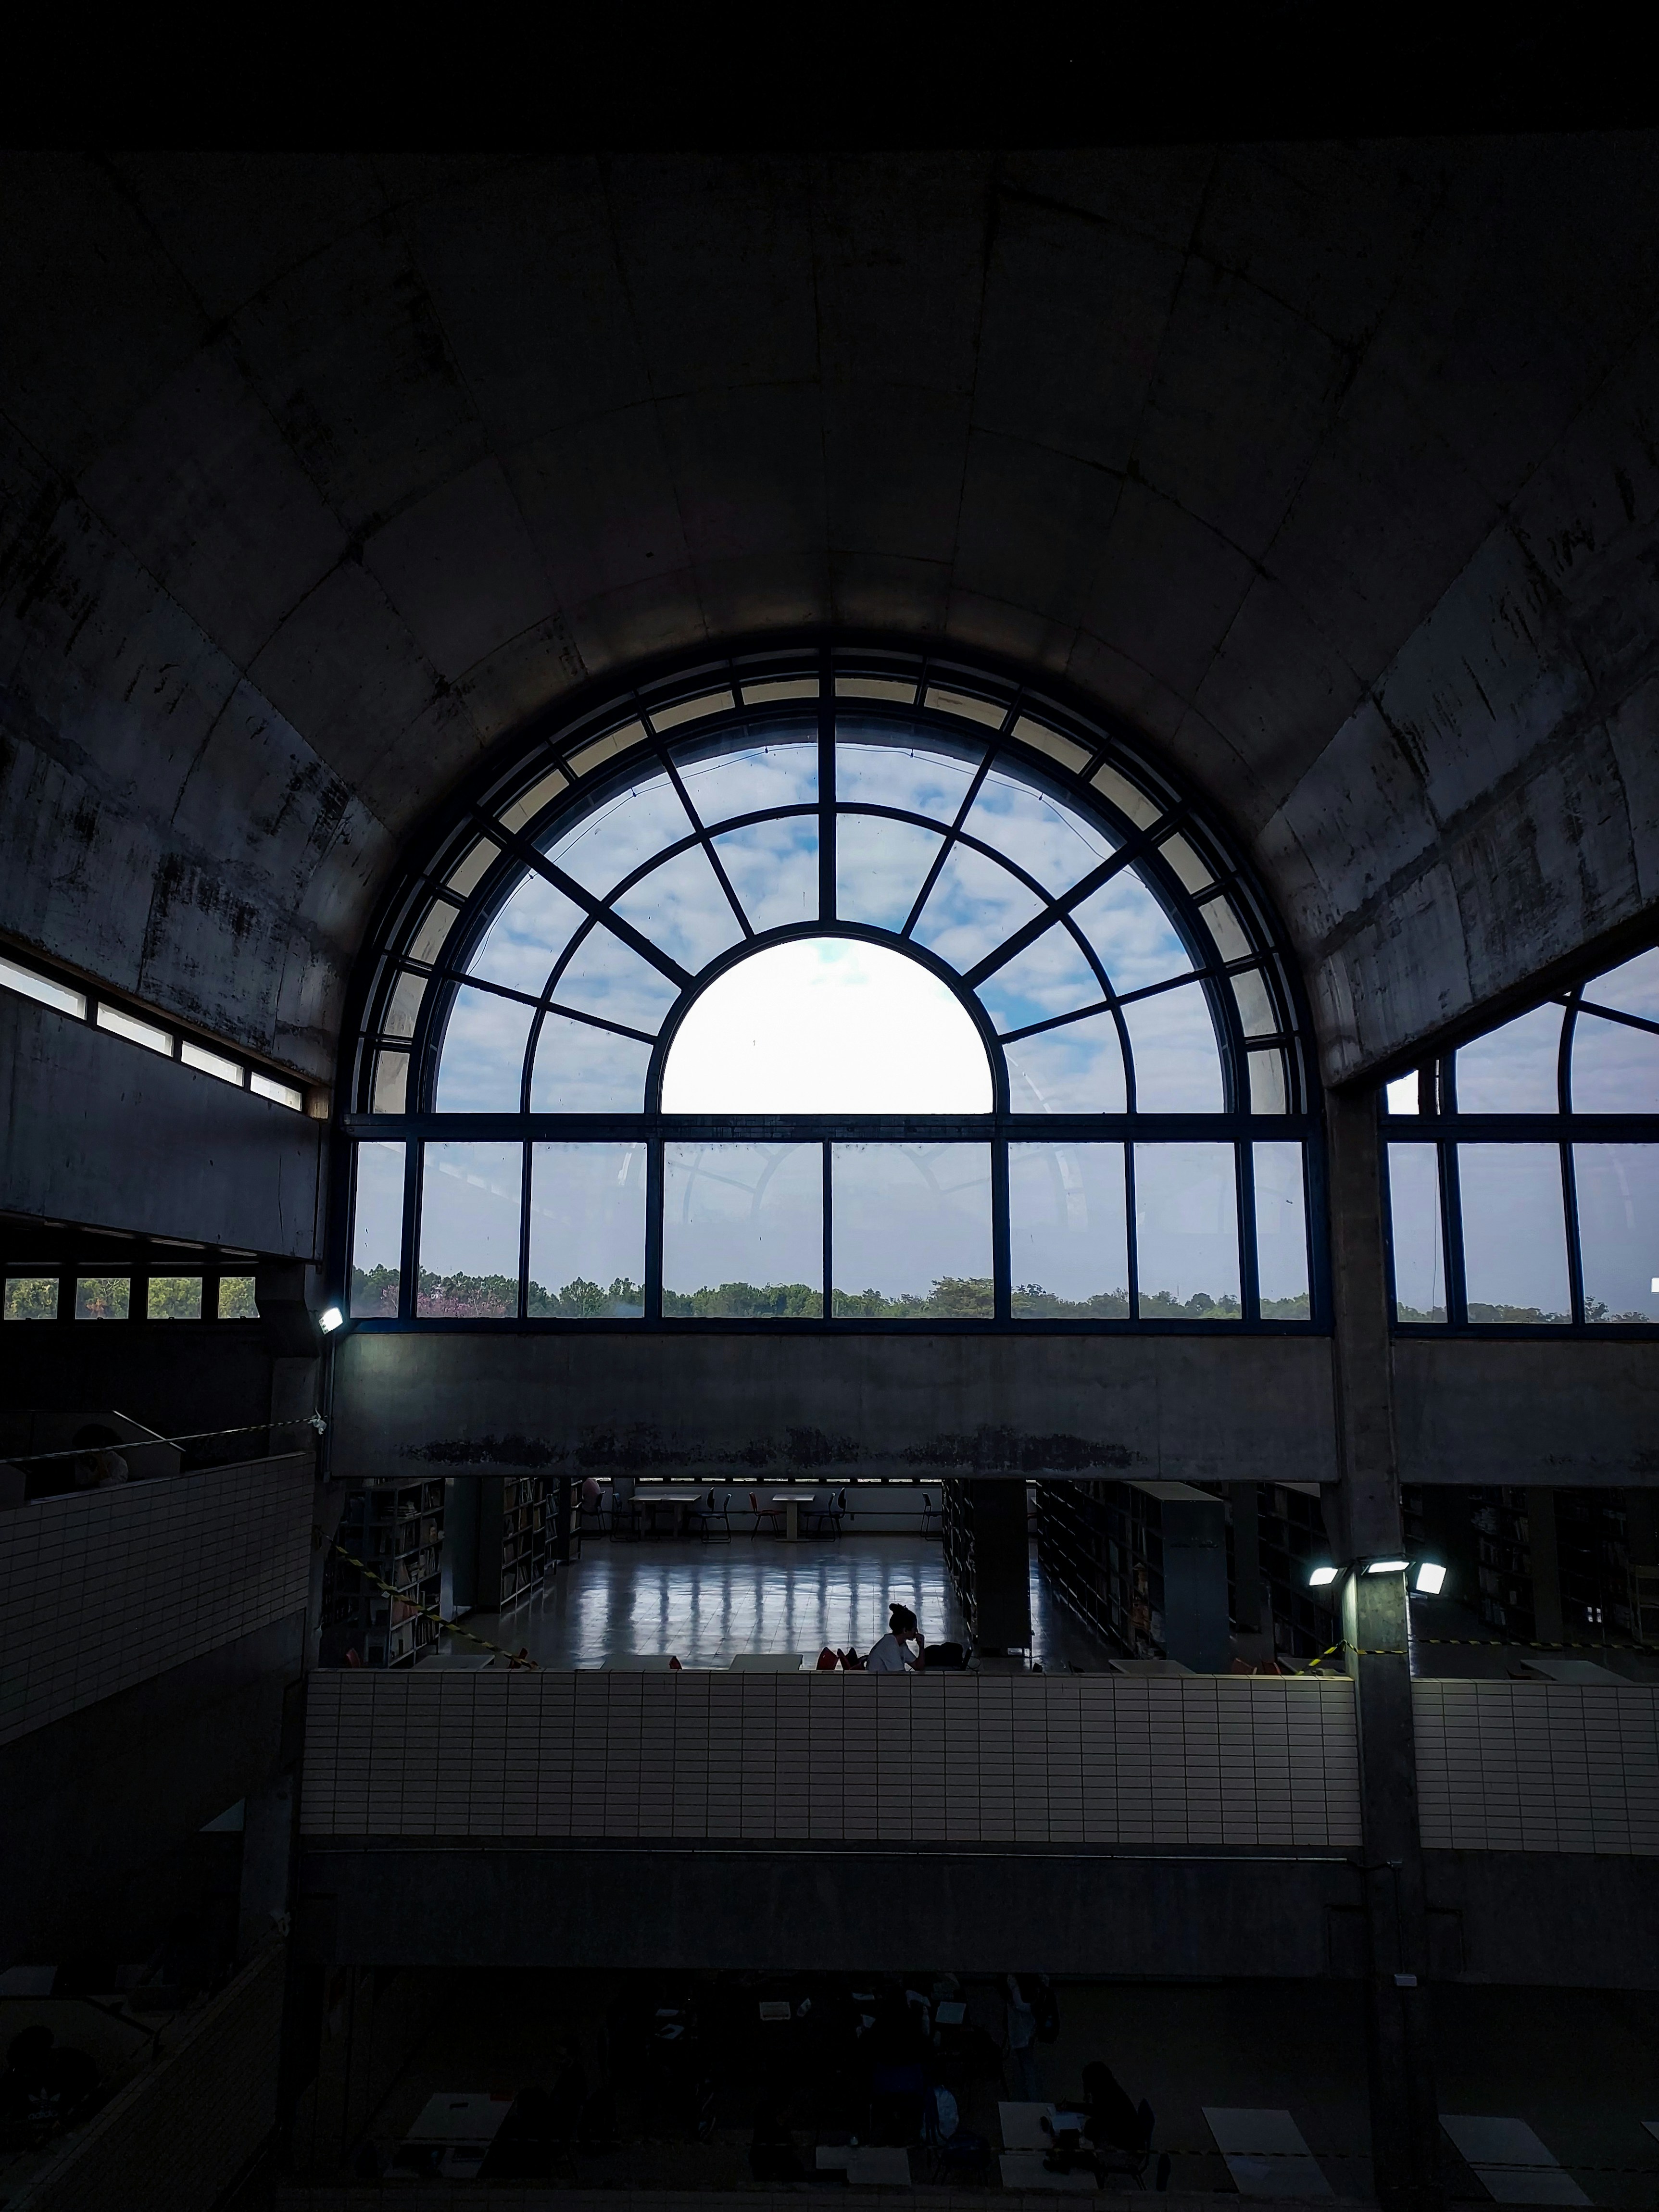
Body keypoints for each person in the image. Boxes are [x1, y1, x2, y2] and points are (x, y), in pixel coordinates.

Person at [1004, 1973, 1039, 2100]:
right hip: (1030, 2027)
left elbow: (1019, 2005)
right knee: (1027, 2064)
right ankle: (1030, 2096)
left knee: (1026, 2066)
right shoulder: (1038, 1980)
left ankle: (1031, 2098)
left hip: (1021, 2029)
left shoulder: (1013, 1980)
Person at [864, 1603, 924, 1673]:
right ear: (905, 1630)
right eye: (914, 1628)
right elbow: (901, 1677)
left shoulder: (901, 1644)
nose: (916, 1631)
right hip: (876, 1682)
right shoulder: (890, 1645)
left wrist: (921, 1647)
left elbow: (918, 1667)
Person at [70, 1425, 127, 1489]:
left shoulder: (118, 1462)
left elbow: (113, 1486)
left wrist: (100, 1462)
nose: (81, 1455)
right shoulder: (78, 1462)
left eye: (85, 1448)